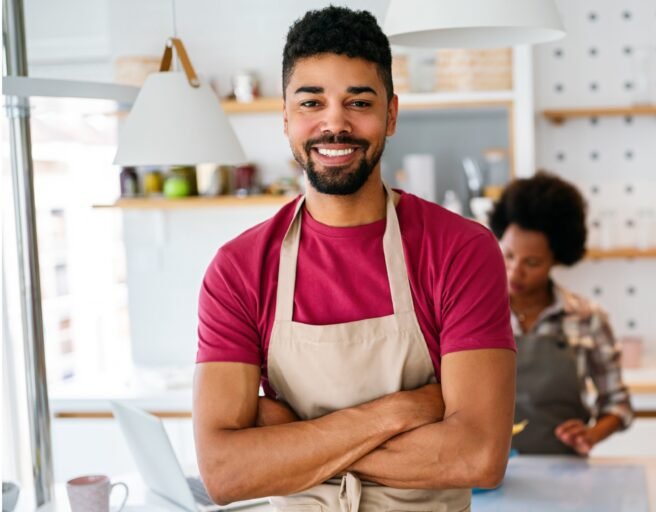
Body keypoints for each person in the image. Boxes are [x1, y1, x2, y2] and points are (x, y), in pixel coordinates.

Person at [191, 7, 516, 511]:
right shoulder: (239, 269)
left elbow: (479, 456)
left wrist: (293, 440)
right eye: (311, 102)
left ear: (391, 115)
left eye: (358, 102)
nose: (334, 123)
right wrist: (404, 411)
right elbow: (225, 472)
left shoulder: (461, 251)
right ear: (285, 118)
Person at [488, 172, 634, 455]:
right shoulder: (472, 312)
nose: (515, 271)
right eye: (507, 255)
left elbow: (618, 403)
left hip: (564, 473)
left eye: (532, 262)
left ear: (557, 259)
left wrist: (591, 435)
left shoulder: (587, 318)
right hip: (486, 476)